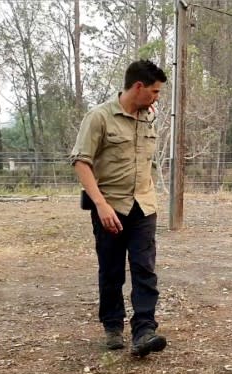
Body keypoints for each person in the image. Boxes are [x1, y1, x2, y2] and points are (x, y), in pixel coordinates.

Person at [70, 59, 168, 357]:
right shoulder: (99, 117)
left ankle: (144, 331)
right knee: (111, 271)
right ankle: (113, 326)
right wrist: (100, 205)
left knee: (144, 269)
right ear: (138, 87)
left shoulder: (147, 117)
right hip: (110, 208)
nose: (157, 98)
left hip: (144, 206)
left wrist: (148, 110)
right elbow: (81, 161)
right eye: (154, 92)